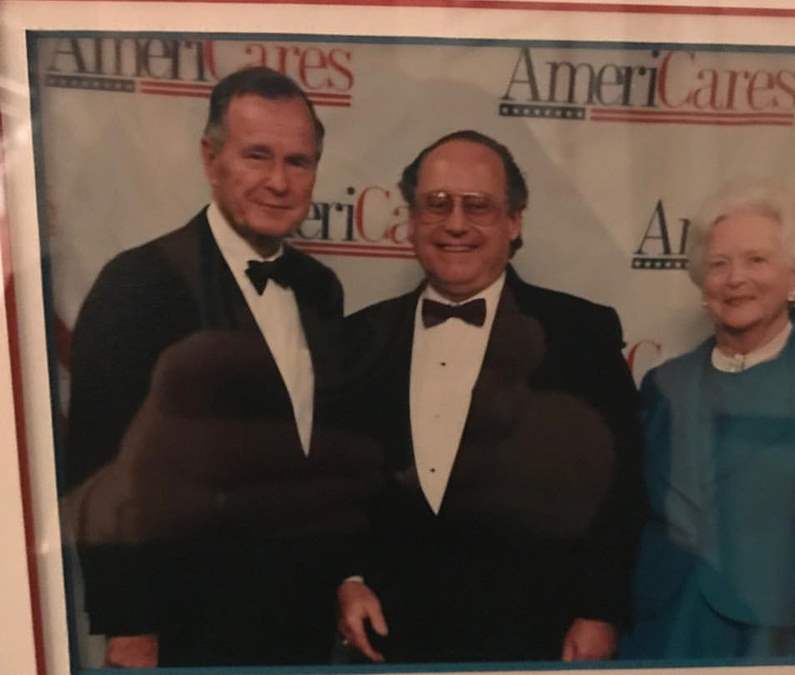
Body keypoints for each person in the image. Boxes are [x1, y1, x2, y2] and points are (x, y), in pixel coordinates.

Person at [62, 66, 370, 667]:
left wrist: (344, 575)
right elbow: (100, 473)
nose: (279, 182)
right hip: (184, 622)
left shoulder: (320, 289)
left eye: (298, 162)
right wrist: (129, 627)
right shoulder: (139, 284)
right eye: (257, 156)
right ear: (211, 159)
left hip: (300, 617)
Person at [336, 129, 645, 663]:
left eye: (477, 206)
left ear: (514, 221)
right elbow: (331, 481)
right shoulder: (359, 337)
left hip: (537, 636)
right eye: (437, 204)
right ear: (411, 220)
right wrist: (346, 578)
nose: (455, 223)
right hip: (392, 636)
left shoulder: (580, 332)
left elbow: (620, 487)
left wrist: (600, 610)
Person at [623, 179, 795, 658]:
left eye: (756, 260)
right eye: (719, 264)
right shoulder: (666, 384)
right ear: (701, 281)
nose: (735, 279)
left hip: (794, 635)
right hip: (670, 629)